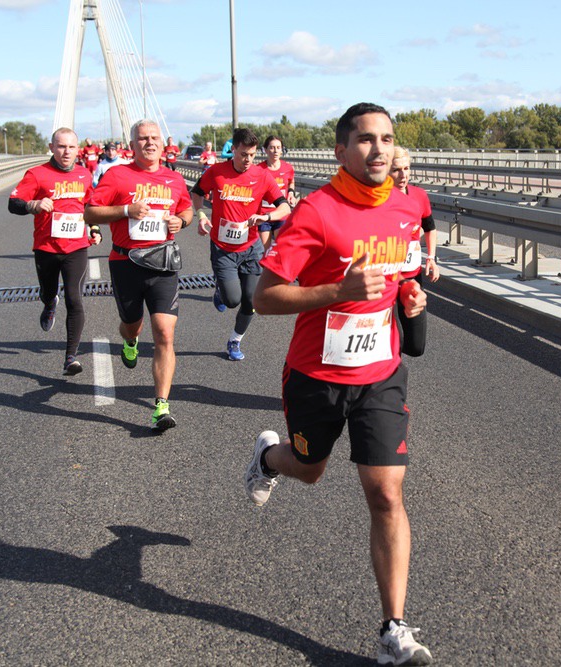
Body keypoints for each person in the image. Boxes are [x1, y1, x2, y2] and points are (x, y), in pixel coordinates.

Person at [244, 103, 432, 666]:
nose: (379, 149)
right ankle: (269, 458)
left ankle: (394, 629)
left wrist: (409, 295)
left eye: (387, 139)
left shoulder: (406, 208)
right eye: (367, 139)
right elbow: (264, 297)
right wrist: (337, 292)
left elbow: (400, 276)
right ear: (341, 150)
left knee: (386, 493)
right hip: (316, 376)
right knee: (310, 470)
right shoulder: (318, 211)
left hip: (380, 374)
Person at [84, 119, 193, 431]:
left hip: (163, 264)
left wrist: (182, 221)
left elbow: (185, 209)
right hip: (125, 263)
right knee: (132, 325)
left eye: (154, 137)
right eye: (143, 138)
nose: (150, 143)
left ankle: (161, 406)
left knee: (164, 333)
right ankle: (129, 340)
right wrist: (125, 211)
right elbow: (90, 212)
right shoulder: (117, 175)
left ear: (163, 143)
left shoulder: (174, 178)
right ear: (132, 145)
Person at [191, 128, 291, 361]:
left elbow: (285, 206)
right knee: (232, 300)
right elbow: (196, 193)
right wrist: (201, 215)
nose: (248, 160)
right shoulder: (217, 172)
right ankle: (221, 291)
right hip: (223, 249)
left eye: (252, 155)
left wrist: (266, 217)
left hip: (251, 247)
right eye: (244, 154)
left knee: (250, 300)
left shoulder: (262, 175)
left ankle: (234, 340)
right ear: (233, 150)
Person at [8, 127, 100, 376]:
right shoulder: (37, 174)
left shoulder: (84, 174)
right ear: (51, 148)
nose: (66, 152)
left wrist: (94, 228)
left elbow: (90, 206)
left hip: (76, 247)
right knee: (49, 291)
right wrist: (33, 204)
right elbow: (13, 203)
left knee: (75, 299)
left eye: (71, 147)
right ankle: (49, 303)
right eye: (61, 146)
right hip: (46, 247)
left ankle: (71, 357)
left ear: (78, 149)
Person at [389, 147, 439, 358]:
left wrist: (431, 258)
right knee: (394, 340)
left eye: (406, 168)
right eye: (396, 170)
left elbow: (430, 227)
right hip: (387, 279)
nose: (403, 175)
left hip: (413, 277)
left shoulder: (419, 195)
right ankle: (389, 371)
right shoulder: (379, 199)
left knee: (416, 346)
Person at [257, 135, 298, 249]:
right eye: (272, 147)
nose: (275, 151)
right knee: (266, 251)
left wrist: (291, 193)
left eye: (278, 148)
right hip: (264, 215)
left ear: (282, 150)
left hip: (281, 214)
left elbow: (291, 181)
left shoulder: (288, 168)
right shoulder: (259, 169)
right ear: (265, 150)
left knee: (281, 248)